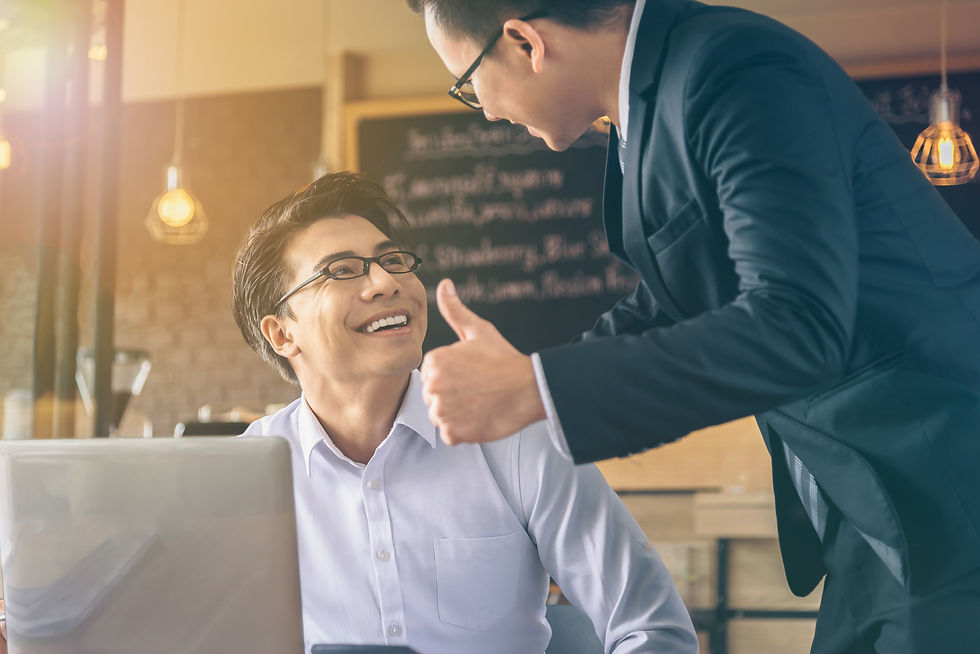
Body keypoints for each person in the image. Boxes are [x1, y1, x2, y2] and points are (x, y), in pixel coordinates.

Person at [407, 1, 980, 652]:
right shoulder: (650, 103)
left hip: (947, 482)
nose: (484, 110)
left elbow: (798, 325)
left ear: (523, 42)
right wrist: (530, 387)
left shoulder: (734, 69)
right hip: (874, 507)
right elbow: (678, 298)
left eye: (468, 82)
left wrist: (539, 388)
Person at [230, 172, 698, 654]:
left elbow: (653, 630)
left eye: (393, 260)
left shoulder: (517, 437)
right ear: (282, 334)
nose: (386, 282)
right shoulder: (244, 477)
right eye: (342, 270)